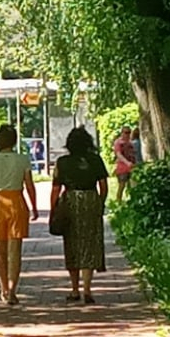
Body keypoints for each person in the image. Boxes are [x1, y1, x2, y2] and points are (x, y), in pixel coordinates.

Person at [0, 124, 39, 304]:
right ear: (14, 141)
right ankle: (13, 289)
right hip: (17, 203)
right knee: (15, 250)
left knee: (0, 250)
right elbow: (29, 185)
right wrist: (34, 207)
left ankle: (4, 288)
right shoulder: (23, 160)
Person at [51, 126, 109, 304]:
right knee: (90, 242)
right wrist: (100, 202)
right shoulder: (96, 160)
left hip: (70, 200)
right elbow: (104, 186)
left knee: (72, 243)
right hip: (91, 199)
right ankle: (88, 289)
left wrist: (53, 208)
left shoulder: (62, 162)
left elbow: (56, 188)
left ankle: (75, 289)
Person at [112, 125, 136, 202]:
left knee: (132, 186)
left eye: (129, 132)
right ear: (122, 133)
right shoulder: (118, 142)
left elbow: (132, 154)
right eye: (126, 132)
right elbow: (119, 154)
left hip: (131, 167)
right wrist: (127, 163)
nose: (127, 134)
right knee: (121, 186)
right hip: (122, 168)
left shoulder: (130, 143)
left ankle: (132, 201)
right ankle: (118, 202)